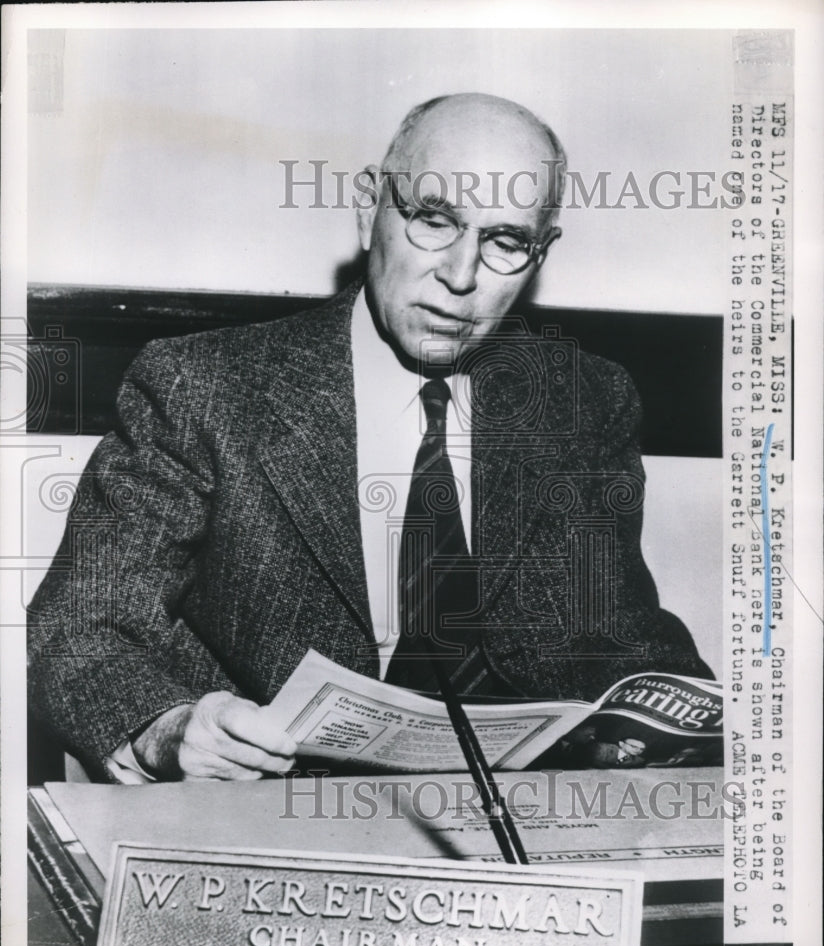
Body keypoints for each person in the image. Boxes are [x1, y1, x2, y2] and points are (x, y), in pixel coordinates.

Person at [28, 93, 713, 783]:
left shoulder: (585, 402)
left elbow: (617, 636)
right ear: (368, 208)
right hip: (270, 816)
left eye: (504, 241)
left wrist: (697, 719)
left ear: (541, 254)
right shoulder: (202, 386)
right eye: (435, 221)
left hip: (518, 819)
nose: (461, 275)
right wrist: (170, 726)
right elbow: (79, 629)